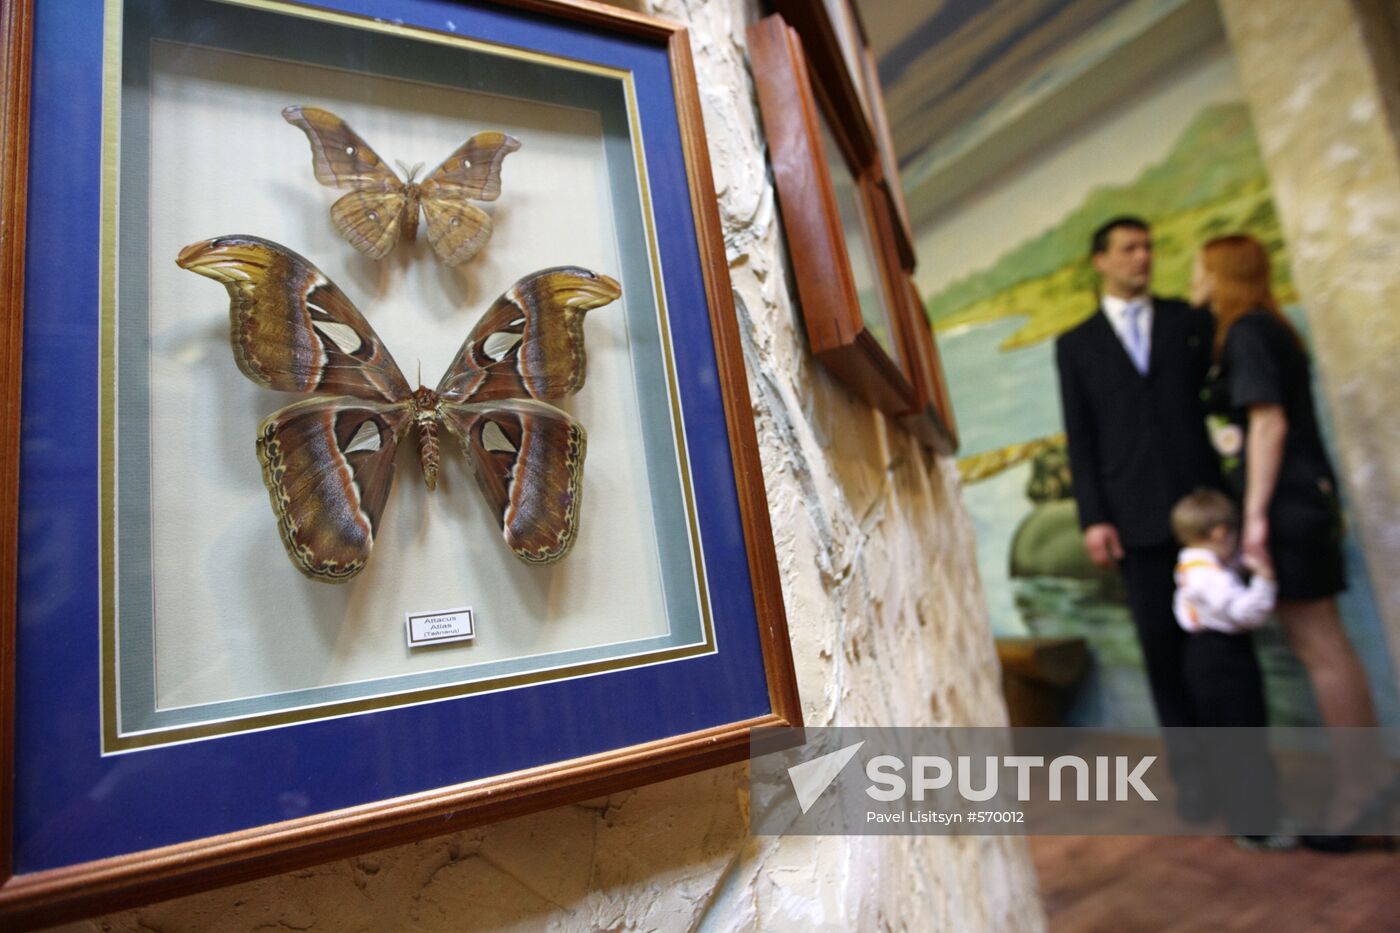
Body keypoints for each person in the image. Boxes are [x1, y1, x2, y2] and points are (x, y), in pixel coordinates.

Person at [1056, 216, 1271, 819]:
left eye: (1149, 247)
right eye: (1128, 248)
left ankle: (1249, 783)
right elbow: (1081, 437)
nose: (1142, 257)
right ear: (1101, 260)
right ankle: (1197, 783)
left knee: (1225, 650)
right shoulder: (1075, 345)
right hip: (1136, 521)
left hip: (1205, 516)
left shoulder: (1187, 320)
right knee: (1163, 653)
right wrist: (1094, 518)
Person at [1192, 234, 1384, 843]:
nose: (1193, 281)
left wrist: (1253, 520)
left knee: (1318, 646)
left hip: (1284, 507)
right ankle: (1372, 775)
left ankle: (1358, 794)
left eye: (1200, 271)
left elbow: (1267, 421)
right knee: (1329, 643)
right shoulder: (1271, 329)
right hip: (1305, 501)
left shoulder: (1246, 332)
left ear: (1221, 274)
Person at [1171, 488, 1276, 635]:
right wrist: (1265, 579)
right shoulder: (1208, 576)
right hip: (1223, 647)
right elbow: (1247, 614)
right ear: (1220, 533)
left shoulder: (1190, 566)